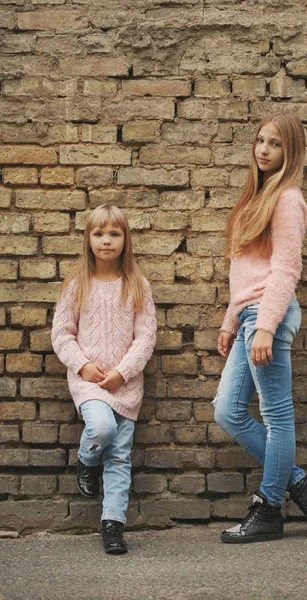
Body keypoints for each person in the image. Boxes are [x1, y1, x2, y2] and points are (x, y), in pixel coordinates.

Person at [213, 112, 307, 544]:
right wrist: (232, 322)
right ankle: (302, 484)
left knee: (278, 417)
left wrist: (265, 325)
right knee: (227, 411)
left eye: (275, 144)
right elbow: (244, 272)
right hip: (250, 315)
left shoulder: (287, 200)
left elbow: (285, 269)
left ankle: (269, 508)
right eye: (260, 140)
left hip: (268, 315)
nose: (263, 149)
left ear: (291, 151)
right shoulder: (257, 196)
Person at [52, 204, 157, 554]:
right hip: (88, 382)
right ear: (88, 240)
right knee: (100, 429)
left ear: (126, 240)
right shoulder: (76, 285)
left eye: (114, 233)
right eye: (99, 234)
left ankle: (113, 525)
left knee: (120, 457)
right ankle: (87, 459)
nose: (107, 240)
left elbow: (146, 337)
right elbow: (62, 334)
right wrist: (82, 365)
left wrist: (122, 372)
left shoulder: (137, 285)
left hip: (125, 384)